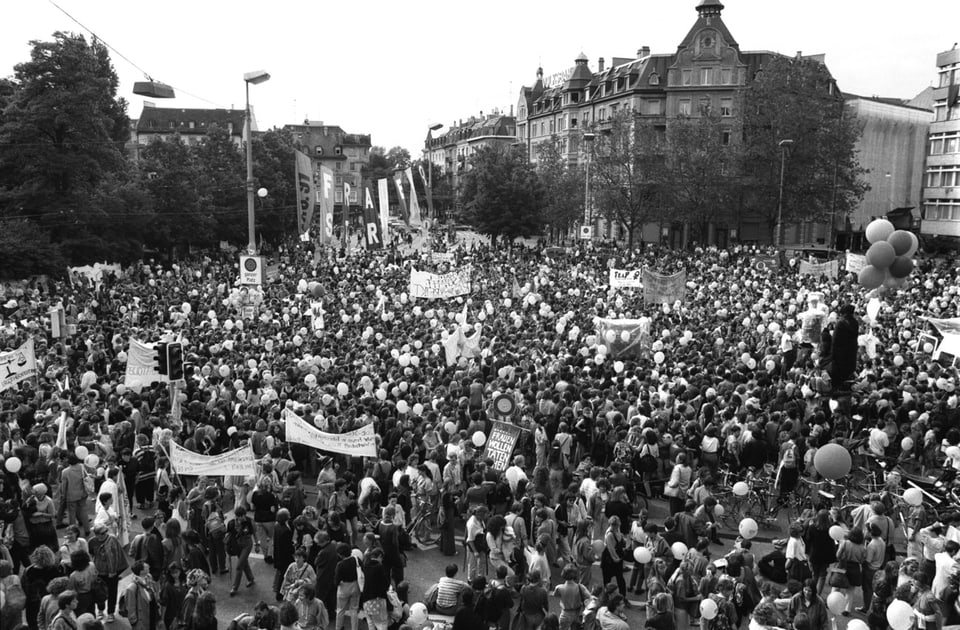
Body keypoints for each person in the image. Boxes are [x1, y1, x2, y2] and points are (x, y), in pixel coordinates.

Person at [22, 545, 65, 630]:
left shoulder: (28, 571)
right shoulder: (55, 570)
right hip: (51, 603)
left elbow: (24, 587)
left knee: (33, 625)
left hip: (32, 604)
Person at [118, 561, 157, 630]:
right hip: (142, 620)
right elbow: (130, 607)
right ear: (141, 571)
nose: (149, 567)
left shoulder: (149, 578)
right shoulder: (132, 588)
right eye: (146, 567)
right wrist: (134, 622)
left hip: (151, 615)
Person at [227, 505, 256, 596]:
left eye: (242, 516)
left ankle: (235, 587)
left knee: (239, 566)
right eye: (238, 516)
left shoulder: (250, 521)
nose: (241, 518)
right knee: (244, 563)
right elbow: (228, 535)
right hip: (237, 545)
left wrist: (257, 544)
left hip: (247, 544)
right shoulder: (231, 523)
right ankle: (250, 578)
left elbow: (254, 533)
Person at [359, 548, 390, 630]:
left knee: (370, 622)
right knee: (382, 623)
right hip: (378, 600)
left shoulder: (365, 565)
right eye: (382, 558)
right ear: (379, 556)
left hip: (366, 599)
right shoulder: (379, 567)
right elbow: (385, 583)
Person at [552, 565, 591, 630]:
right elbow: (589, 597)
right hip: (577, 613)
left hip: (565, 614)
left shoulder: (559, 588)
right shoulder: (580, 587)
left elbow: (555, 595)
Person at [333, 543, 361, 630]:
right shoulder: (356, 560)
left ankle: (338, 627)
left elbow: (336, 580)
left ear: (341, 554)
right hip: (355, 585)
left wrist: (336, 584)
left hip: (343, 587)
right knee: (354, 609)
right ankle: (354, 628)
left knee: (340, 610)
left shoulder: (340, 565)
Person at [601, 515, 628, 599]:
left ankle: (622, 596)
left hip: (616, 555)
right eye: (613, 525)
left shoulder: (617, 530)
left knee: (620, 579)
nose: (615, 527)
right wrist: (616, 559)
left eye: (616, 525)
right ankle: (606, 597)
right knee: (607, 579)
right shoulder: (610, 534)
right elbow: (610, 548)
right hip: (609, 558)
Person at [67, 549, 97, 616]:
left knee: (81, 614)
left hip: (81, 596)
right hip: (92, 592)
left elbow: (71, 589)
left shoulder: (74, 575)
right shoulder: (92, 565)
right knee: (92, 611)